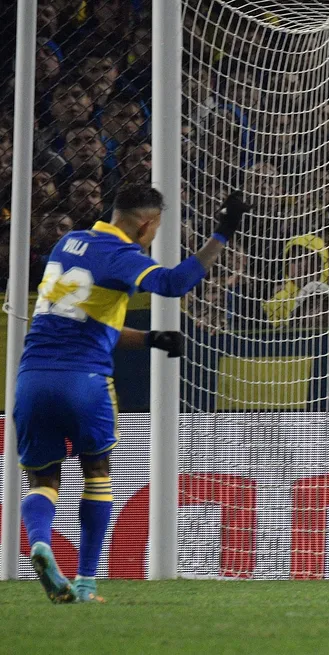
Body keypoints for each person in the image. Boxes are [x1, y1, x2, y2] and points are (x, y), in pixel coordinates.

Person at [14, 184, 249, 603]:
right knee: (97, 474)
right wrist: (223, 232)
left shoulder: (70, 242)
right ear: (147, 224)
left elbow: (85, 322)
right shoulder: (122, 255)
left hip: (32, 378)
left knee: (43, 479)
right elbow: (174, 283)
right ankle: (85, 583)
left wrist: (150, 338)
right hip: (85, 382)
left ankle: (39, 542)